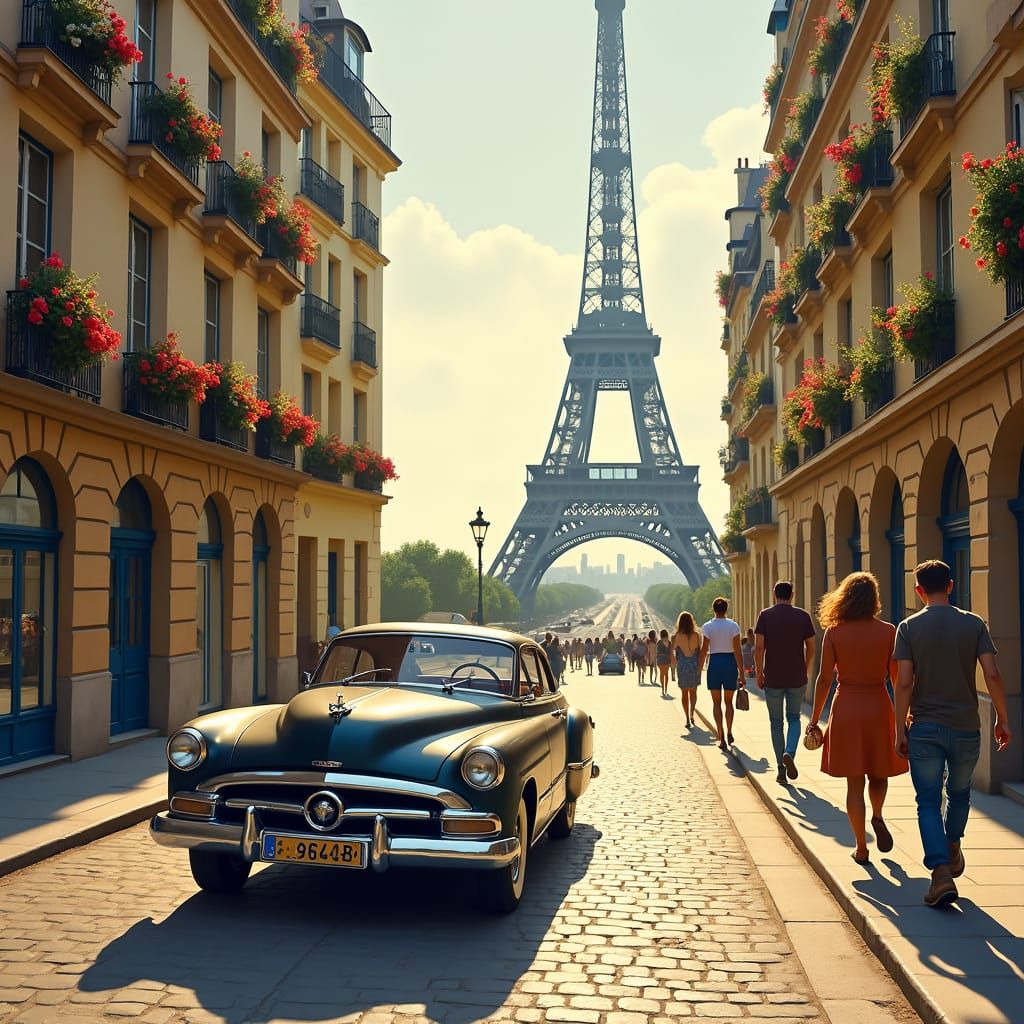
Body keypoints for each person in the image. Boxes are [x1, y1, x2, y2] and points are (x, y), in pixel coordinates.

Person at [893, 560, 1013, 907]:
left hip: (925, 728)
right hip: (965, 727)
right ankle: (953, 843)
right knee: (959, 794)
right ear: (950, 585)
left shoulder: (908, 627)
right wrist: (1002, 718)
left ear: (918, 591)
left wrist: (900, 728)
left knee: (927, 801)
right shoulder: (974, 624)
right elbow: (992, 675)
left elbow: (903, 683)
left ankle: (941, 873)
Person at [808, 573, 908, 865]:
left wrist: (815, 719)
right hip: (878, 704)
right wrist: (905, 715)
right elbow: (896, 677)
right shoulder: (889, 631)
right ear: (874, 599)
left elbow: (825, 679)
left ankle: (861, 846)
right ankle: (878, 815)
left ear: (845, 596)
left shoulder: (835, 632)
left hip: (847, 706)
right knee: (879, 772)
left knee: (854, 782)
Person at [754, 581, 816, 786]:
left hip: (773, 676)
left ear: (774, 594)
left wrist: (760, 672)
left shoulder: (765, 615)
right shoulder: (802, 616)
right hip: (796, 677)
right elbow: (812, 647)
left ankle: (781, 768)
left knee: (776, 723)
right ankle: (790, 752)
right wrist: (805, 668)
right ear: (793, 594)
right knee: (794, 719)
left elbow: (759, 647)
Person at [699, 598, 744, 750]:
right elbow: (738, 651)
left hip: (715, 663)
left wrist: (699, 670)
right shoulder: (733, 626)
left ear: (713, 609)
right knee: (729, 702)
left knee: (716, 703)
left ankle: (721, 736)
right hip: (730, 662)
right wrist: (742, 673)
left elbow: (704, 650)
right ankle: (730, 730)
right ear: (726, 609)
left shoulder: (707, 627)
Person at [673, 612, 701, 727]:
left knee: (684, 693)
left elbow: (674, 652)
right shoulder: (697, 635)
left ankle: (687, 719)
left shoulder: (676, 636)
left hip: (683, 666)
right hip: (694, 665)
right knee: (693, 692)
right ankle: (692, 713)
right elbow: (700, 651)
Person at [656, 628, 672, 697]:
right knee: (666, 675)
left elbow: (657, 652)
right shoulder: (669, 642)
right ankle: (666, 688)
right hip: (667, 660)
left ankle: (662, 688)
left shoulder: (659, 642)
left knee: (661, 674)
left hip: (660, 660)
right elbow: (671, 652)